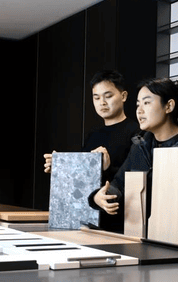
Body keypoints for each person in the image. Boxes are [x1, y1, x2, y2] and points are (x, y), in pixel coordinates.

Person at [88, 77, 178, 248]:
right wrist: (100, 197)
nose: (139, 111)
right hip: (143, 245)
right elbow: (119, 185)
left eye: (147, 103)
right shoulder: (140, 147)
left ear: (169, 106)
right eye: (137, 105)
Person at [43, 70, 140, 232]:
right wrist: (61, 169)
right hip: (88, 221)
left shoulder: (137, 132)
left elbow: (137, 181)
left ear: (123, 96)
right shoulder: (93, 135)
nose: (102, 102)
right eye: (96, 97)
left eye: (108, 96)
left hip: (121, 223)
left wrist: (107, 168)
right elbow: (82, 181)